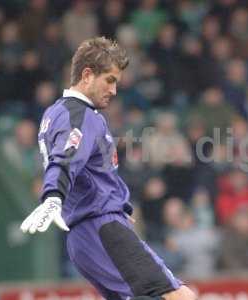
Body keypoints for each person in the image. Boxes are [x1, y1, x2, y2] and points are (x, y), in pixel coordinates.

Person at [20, 37, 196, 300]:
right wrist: (53, 196)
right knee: (180, 297)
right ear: (87, 75)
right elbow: (66, 157)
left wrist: (117, 203)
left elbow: (82, 167)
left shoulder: (54, 113)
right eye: (110, 80)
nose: (114, 91)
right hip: (100, 227)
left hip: (85, 234)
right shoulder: (81, 116)